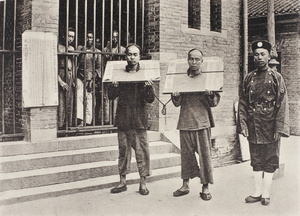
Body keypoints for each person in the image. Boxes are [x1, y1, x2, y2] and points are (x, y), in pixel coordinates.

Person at [238, 41, 289, 206]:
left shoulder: (276, 77)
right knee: (256, 158)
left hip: (270, 125)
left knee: (270, 158)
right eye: (256, 54)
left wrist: (280, 128)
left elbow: (282, 104)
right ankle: (257, 192)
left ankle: (266, 193)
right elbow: (243, 104)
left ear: (269, 56)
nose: (259, 57)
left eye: (262, 54)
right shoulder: (249, 78)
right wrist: (243, 125)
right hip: (254, 124)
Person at [171, 48, 220, 201]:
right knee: (186, 156)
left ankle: (205, 186)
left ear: (202, 61)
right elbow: (177, 103)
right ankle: (185, 185)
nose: (194, 62)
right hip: (185, 121)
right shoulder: (180, 78)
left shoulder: (209, 78)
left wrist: (211, 94)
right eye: (191, 59)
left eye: (197, 59)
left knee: (205, 157)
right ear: (187, 60)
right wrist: (176, 96)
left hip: (202, 122)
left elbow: (215, 102)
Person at [108, 44, 154, 196]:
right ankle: (122, 182)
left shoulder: (144, 74)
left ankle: (143, 183)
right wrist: (114, 86)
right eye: (129, 54)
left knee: (142, 151)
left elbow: (150, 99)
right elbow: (111, 96)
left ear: (139, 57)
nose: (132, 57)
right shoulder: (119, 74)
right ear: (125, 56)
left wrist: (148, 87)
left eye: (135, 54)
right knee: (123, 151)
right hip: (123, 118)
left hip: (138, 119)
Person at [77, 32, 101, 126]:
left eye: (91, 38)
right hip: (80, 77)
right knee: (79, 96)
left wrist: (92, 80)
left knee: (90, 99)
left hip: (91, 79)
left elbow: (99, 69)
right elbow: (76, 64)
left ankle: (87, 121)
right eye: (87, 37)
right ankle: (80, 119)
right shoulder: (80, 49)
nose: (89, 40)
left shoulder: (98, 52)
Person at [58, 28, 76, 129]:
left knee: (70, 101)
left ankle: (68, 125)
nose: (70, 38)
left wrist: (73, 80)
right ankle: (60, 126)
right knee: (61, 102)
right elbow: (53, 66)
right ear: (64, 36)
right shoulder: (59, 47)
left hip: (70, 75)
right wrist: (60, 81)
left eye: (72, 37)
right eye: (69, 36)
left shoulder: (72, 48)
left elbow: (73, 65)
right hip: (61, 74)